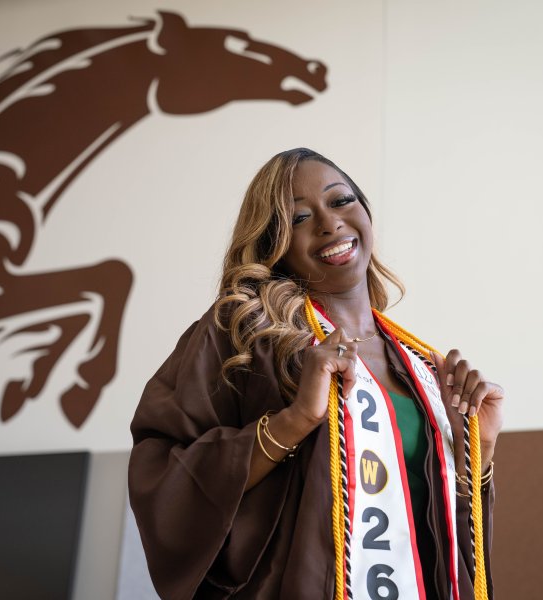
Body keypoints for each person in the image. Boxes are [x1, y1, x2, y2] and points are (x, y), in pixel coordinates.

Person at [129, 148, 505, 600]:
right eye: (300, 217)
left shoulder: (422, 368)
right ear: (275, 244)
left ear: (365, 210)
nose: (329, 224)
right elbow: (164, 474)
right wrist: (296, 419)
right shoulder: (246, 334)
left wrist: (476, 454)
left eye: (341, 200)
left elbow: (436, 531)